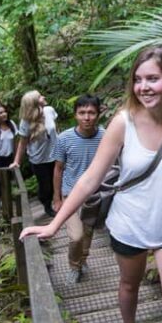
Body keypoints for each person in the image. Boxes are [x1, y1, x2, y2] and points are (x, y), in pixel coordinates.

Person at [21, 45, 162, 323]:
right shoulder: (123, 122)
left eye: (153, 78)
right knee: (129, 286)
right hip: (128, 225)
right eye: (138, 79)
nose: (143, 87)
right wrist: (53, 226)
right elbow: (90, 179)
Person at [53, 94, 105, 284]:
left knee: (88, 234)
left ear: (98, 114)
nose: (86, 117)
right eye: (82, 112)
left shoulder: (105, 137)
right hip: (70, 195)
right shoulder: (64, 138)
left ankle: (82, 261)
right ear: (75, 115)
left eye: (91, 112)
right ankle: (74, 266)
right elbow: (58, 169)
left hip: (94, 196)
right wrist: (57, 198)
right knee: (76, 236)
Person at [13, 90, 59, 217]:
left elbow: (56, 128)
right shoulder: (25, 121)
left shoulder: (49, 110)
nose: (43, 96)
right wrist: (17, 161)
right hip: (39, 159)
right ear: (33, 102)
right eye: (39, 96)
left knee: (58, 180)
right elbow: (22, 143)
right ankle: (47, 205)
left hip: (55, 154)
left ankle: (59, 203)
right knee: (46, 186)